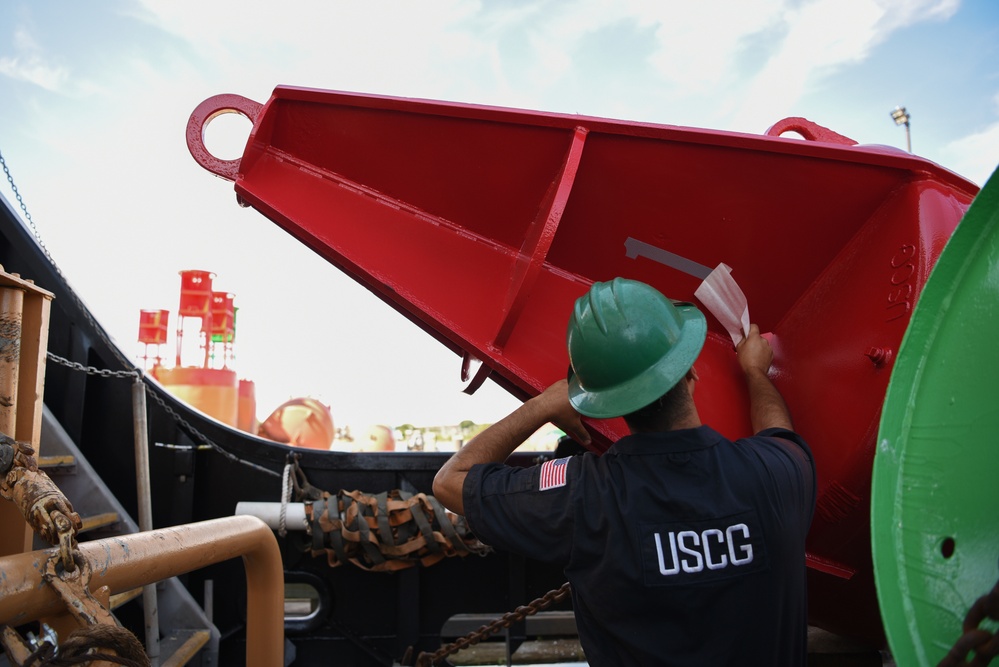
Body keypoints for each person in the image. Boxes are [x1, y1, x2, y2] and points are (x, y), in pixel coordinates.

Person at [433, 277, 816, 666]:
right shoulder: (778, 474)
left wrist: (545, 404)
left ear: (601, 401)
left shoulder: (584, 496)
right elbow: (778, 433)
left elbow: (450, 481)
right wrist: (755, 373)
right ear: (691, 373)